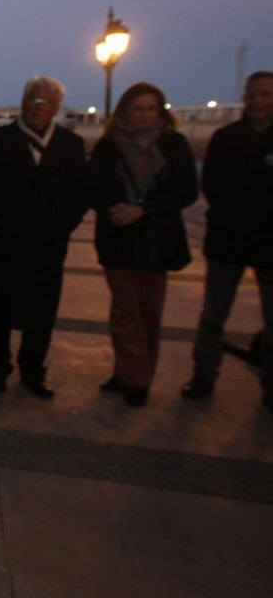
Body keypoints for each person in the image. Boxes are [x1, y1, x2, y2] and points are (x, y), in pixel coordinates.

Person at [88, 81, 198, 407]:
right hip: (117, 238)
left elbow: (186, 189)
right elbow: (93, 185)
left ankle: (136, 374)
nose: (143, 115)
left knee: (149, 310)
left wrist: (144, 210)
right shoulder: (109, 145)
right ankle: (133, 376)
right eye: (137, 108)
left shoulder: (173, 144)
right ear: (125, 110)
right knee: (125, 311)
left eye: (150, 109)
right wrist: (117, 209)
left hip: (155, 240)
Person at [0, 76, 88, 398]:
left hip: (47, 248)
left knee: (41, 314)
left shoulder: (70, 145)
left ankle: (33, 371)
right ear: (23, 101)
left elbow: (79, 196)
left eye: (45, 103)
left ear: (56, 108)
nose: (37, 107)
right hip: (4, 247)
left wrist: (59, 229)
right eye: (32, 100)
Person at [181, 70, 273, 409]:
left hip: (269, 245)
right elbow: (213, 186)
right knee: (213, 315)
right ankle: (203, 375)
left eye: (266, 94)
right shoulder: (225, 137)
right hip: (227, 241)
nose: (258, 101)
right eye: (253, 95)